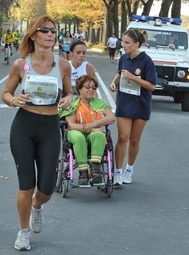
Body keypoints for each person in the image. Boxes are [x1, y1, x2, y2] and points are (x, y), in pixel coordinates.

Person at [1, 14, 73, 251]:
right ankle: (23, 232)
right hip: (24, 126)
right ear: (33, 35)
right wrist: (14, 100)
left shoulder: (63, 64)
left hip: (50, 127)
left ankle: (36, 207)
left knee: (47, 189)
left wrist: (67, 100)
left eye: (53, 31)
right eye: (44, 30)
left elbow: (70, 93)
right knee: (26, 185)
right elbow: (6, 93)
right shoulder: (21, 64)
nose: (50, 34)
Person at [109, 29, 156, 185]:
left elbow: (151, 86)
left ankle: (129, 169)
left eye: (127, 43)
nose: (124, 45)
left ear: (137, 44)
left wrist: (134, 78)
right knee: (122, 137)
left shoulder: (146, 61)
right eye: (123, 42)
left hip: (141, 104)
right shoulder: (123, 58)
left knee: (134, 140)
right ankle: (118, 172)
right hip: (124, 101)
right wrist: (114, 82)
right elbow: (120, 72)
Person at [59, 75, 115, 185]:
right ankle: (83, 172)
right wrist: (89, 129)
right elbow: (71, 124)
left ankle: (95, 170)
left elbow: (111, 118)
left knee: (99, 135)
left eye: (93, 88)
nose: (91, 90)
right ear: (79, 88)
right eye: (87, 87)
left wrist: (94, 124)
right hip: (75, 132)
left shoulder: (100, 103)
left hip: (94, 132)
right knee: (79, 137)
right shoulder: (72, 104)